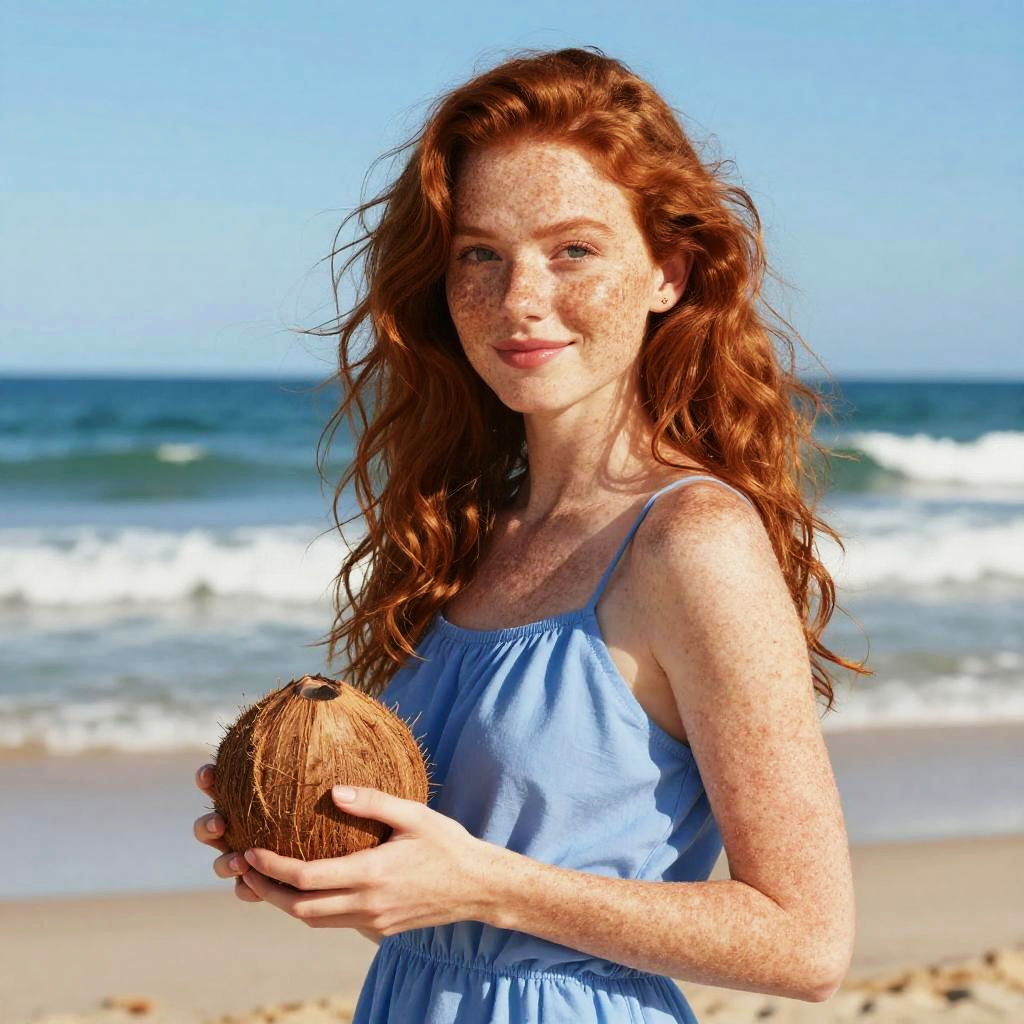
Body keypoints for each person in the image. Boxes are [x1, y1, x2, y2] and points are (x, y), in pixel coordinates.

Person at [193, 46, 863, 1023]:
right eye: (481, 254)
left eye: (573, 250)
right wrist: (331, 864)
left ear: (667, 273)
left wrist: (483, 887)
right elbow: (443, 881)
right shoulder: (461, 534)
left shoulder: (692, 539)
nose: (519, 301)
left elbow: (807, 942)